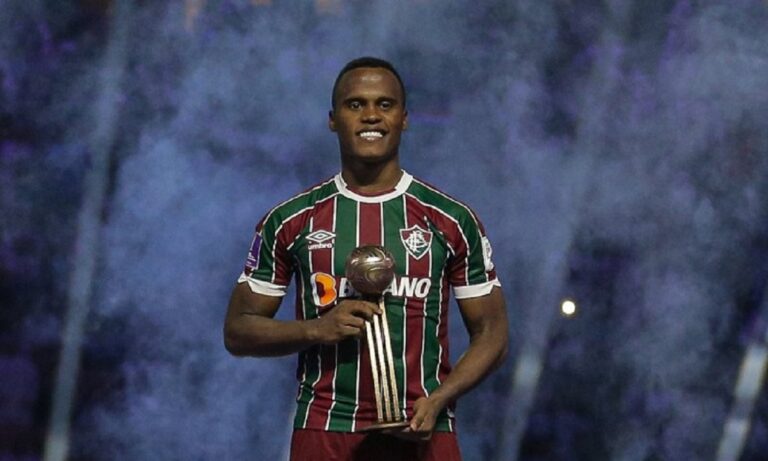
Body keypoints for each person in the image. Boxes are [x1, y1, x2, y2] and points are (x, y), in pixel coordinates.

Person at [224, 56, 508, 461]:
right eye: (355, 104)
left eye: (384, 104)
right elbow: (238, 330)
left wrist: (440, 398)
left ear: (404, 119)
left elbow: (492, 333)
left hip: (424, 429)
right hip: (325, 428)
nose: (371, 115)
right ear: (333, 119)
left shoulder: (451, 220)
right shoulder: (290, 220)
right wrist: (316, 329)